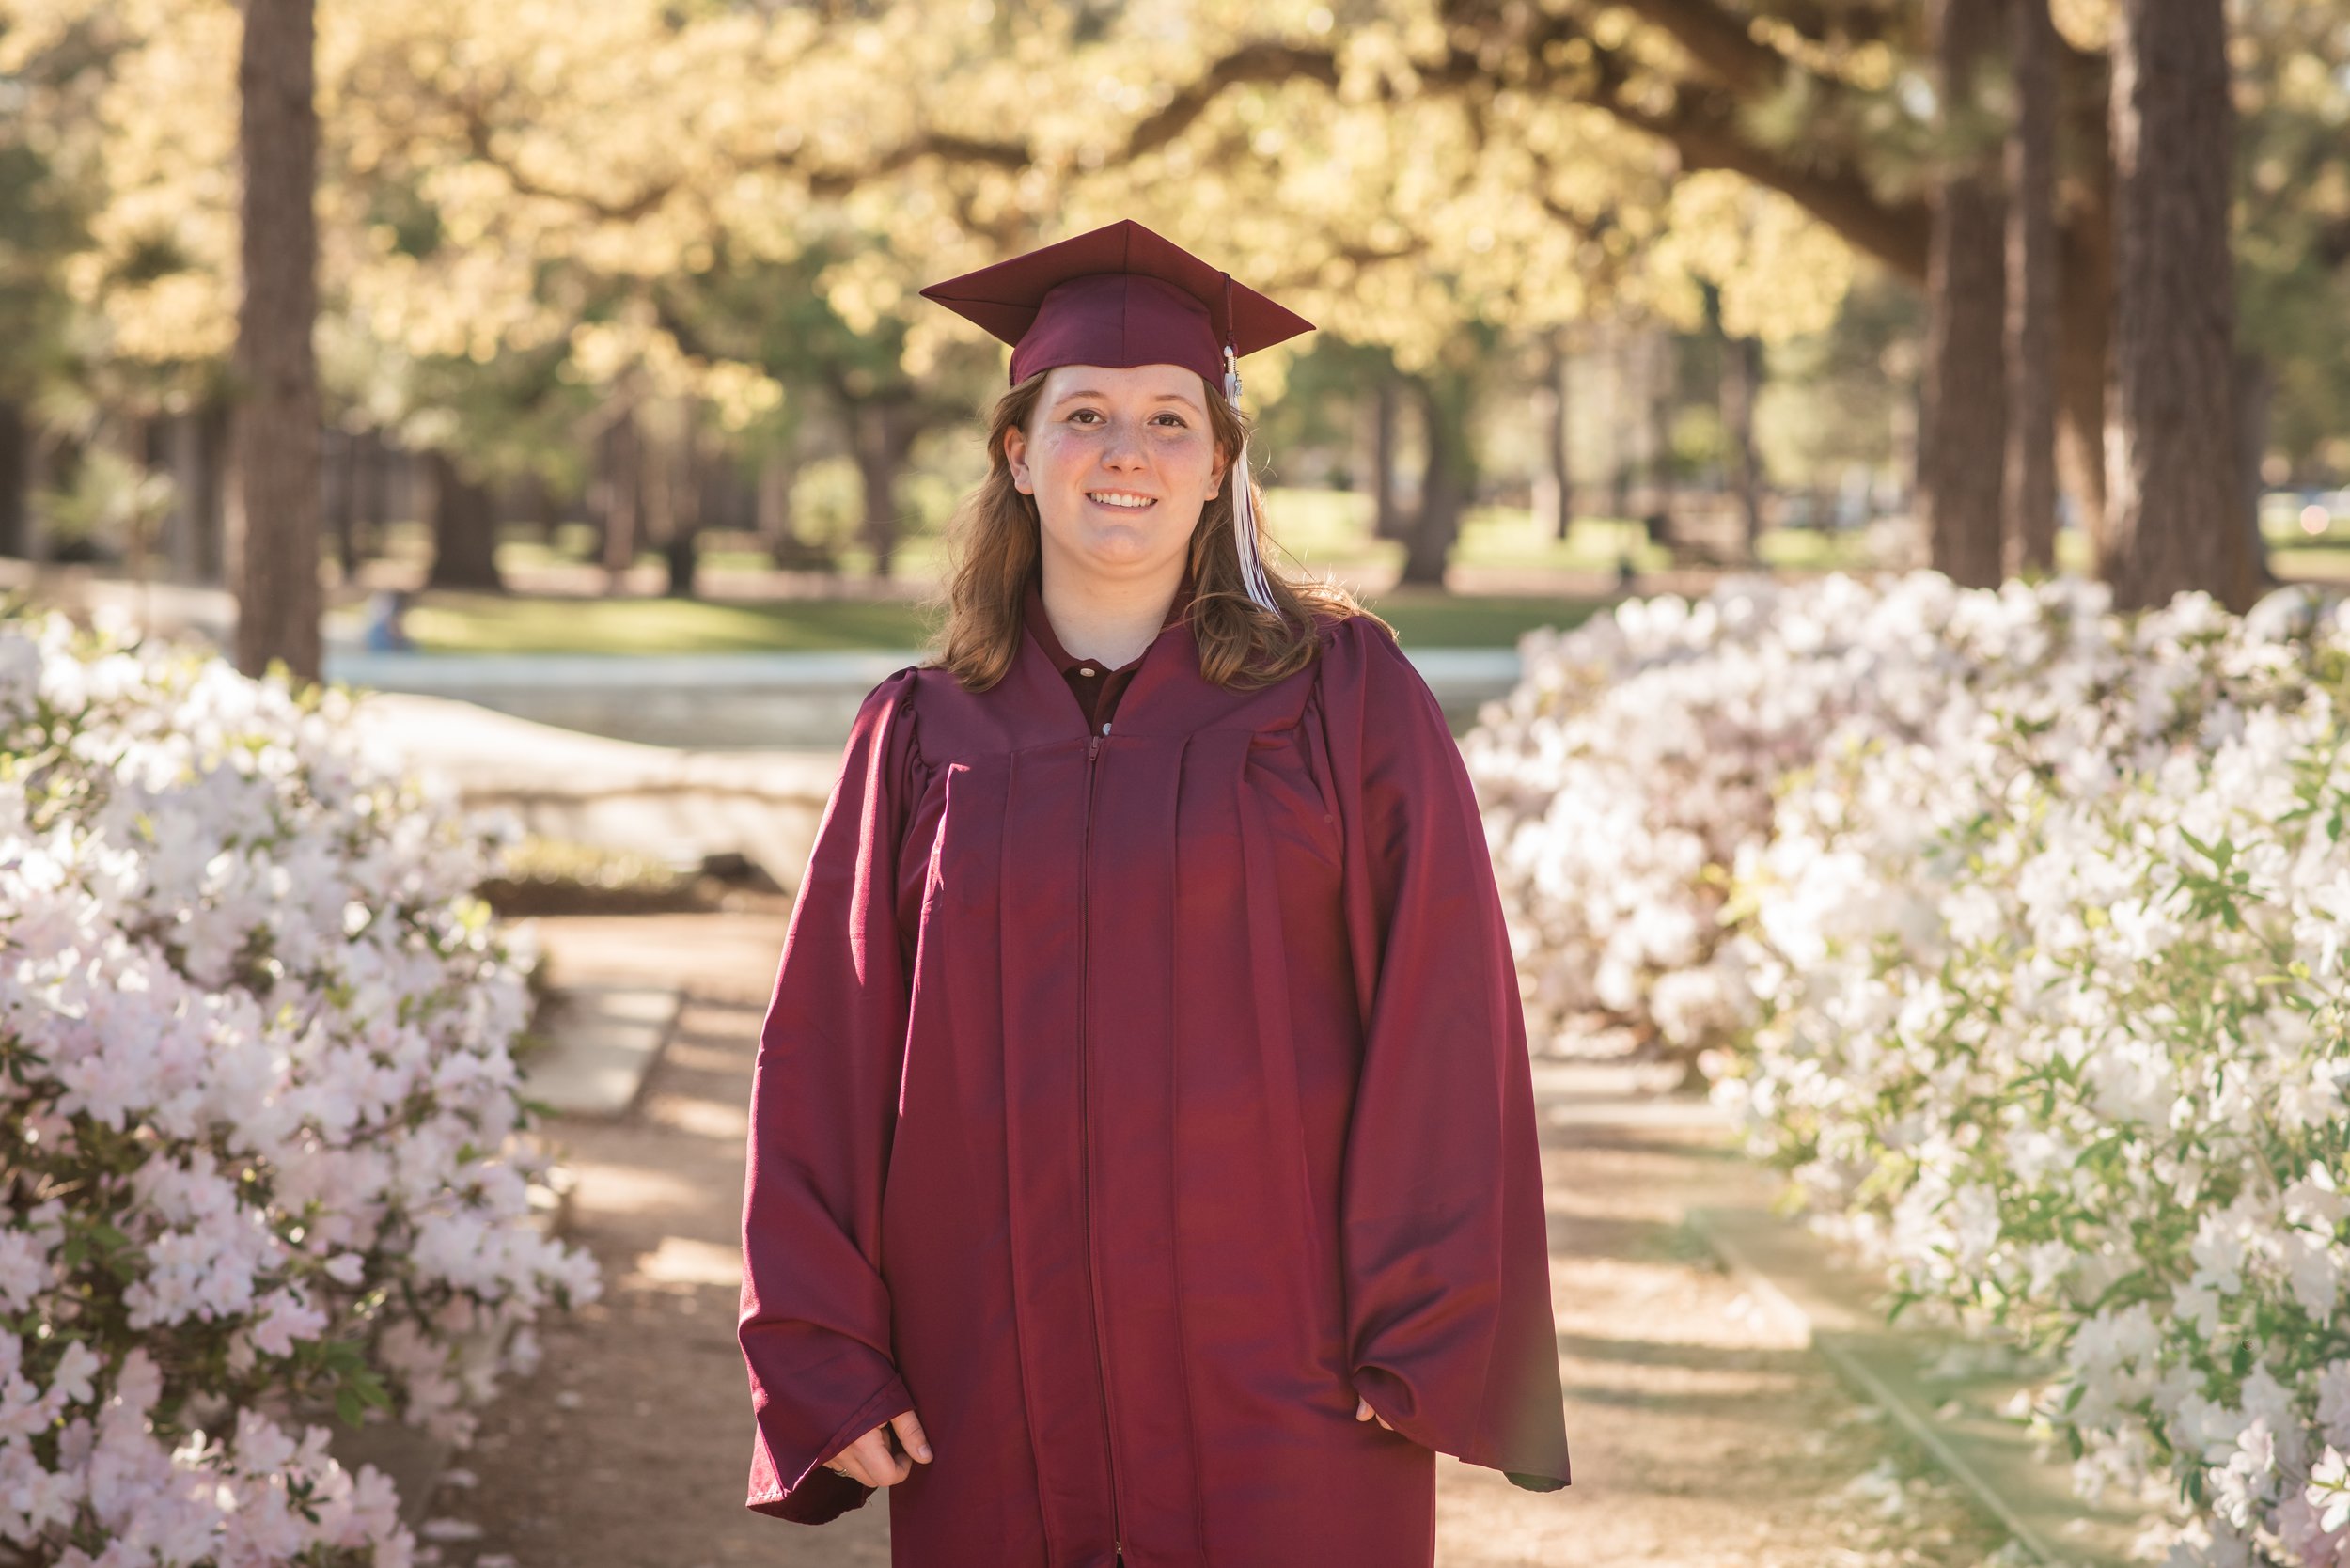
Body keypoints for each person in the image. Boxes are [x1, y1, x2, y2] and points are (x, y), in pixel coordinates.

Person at [736, 219, 1570, 1568]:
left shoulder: (1342, 702)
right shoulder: (920, 735)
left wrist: (1422, 1323)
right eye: (1085, 416)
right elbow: (820, 1055)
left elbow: (1447, 1009)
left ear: (1222, 464)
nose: (1127, 451)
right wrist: (826, 1352)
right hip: (990, 1381)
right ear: (1018, 454)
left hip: (1287, 1376)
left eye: (1171, 418)